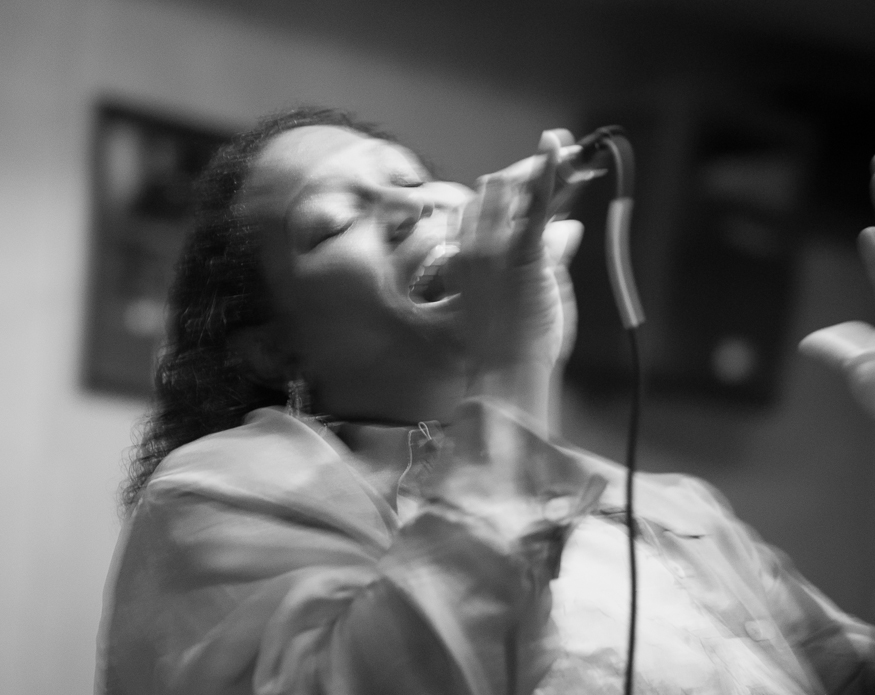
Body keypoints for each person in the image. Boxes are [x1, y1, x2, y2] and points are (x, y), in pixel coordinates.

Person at [97, 106, 875, 695]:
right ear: (274, 348)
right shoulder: (219, 493)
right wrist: (512, 364)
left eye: (410, 180)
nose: (408, 206)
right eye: (334, 222)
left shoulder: (677, 509)